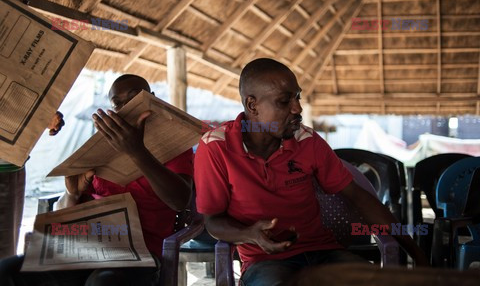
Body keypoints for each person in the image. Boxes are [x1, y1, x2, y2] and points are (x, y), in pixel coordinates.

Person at [194, 58, 428, 286]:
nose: (298, 108)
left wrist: (416, 253)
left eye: (297, 97)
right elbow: (213, 221)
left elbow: (358, 197)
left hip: (325, 254)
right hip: (265, 262)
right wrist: (250, 234)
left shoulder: (306, 140)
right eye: (284, 101)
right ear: (252, 105)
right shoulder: (216, 147)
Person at [0, 74, 193, 286]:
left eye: (134, 97)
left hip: (138, 254)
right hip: (86, 247)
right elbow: (64, 216)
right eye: (118, 103)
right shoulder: (101, 146)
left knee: (103, 282)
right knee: (7, 272)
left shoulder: (172, 145)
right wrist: (72, 194)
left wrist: (137, 151)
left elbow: (180, 200)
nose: (127, 106)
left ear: (152, 98)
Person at [0, 0, 64, 259]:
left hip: (10, 170)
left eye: (25, 1)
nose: (23, 8)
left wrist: (46, 114)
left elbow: (23, 99)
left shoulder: (26, 47)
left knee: (4, 256)